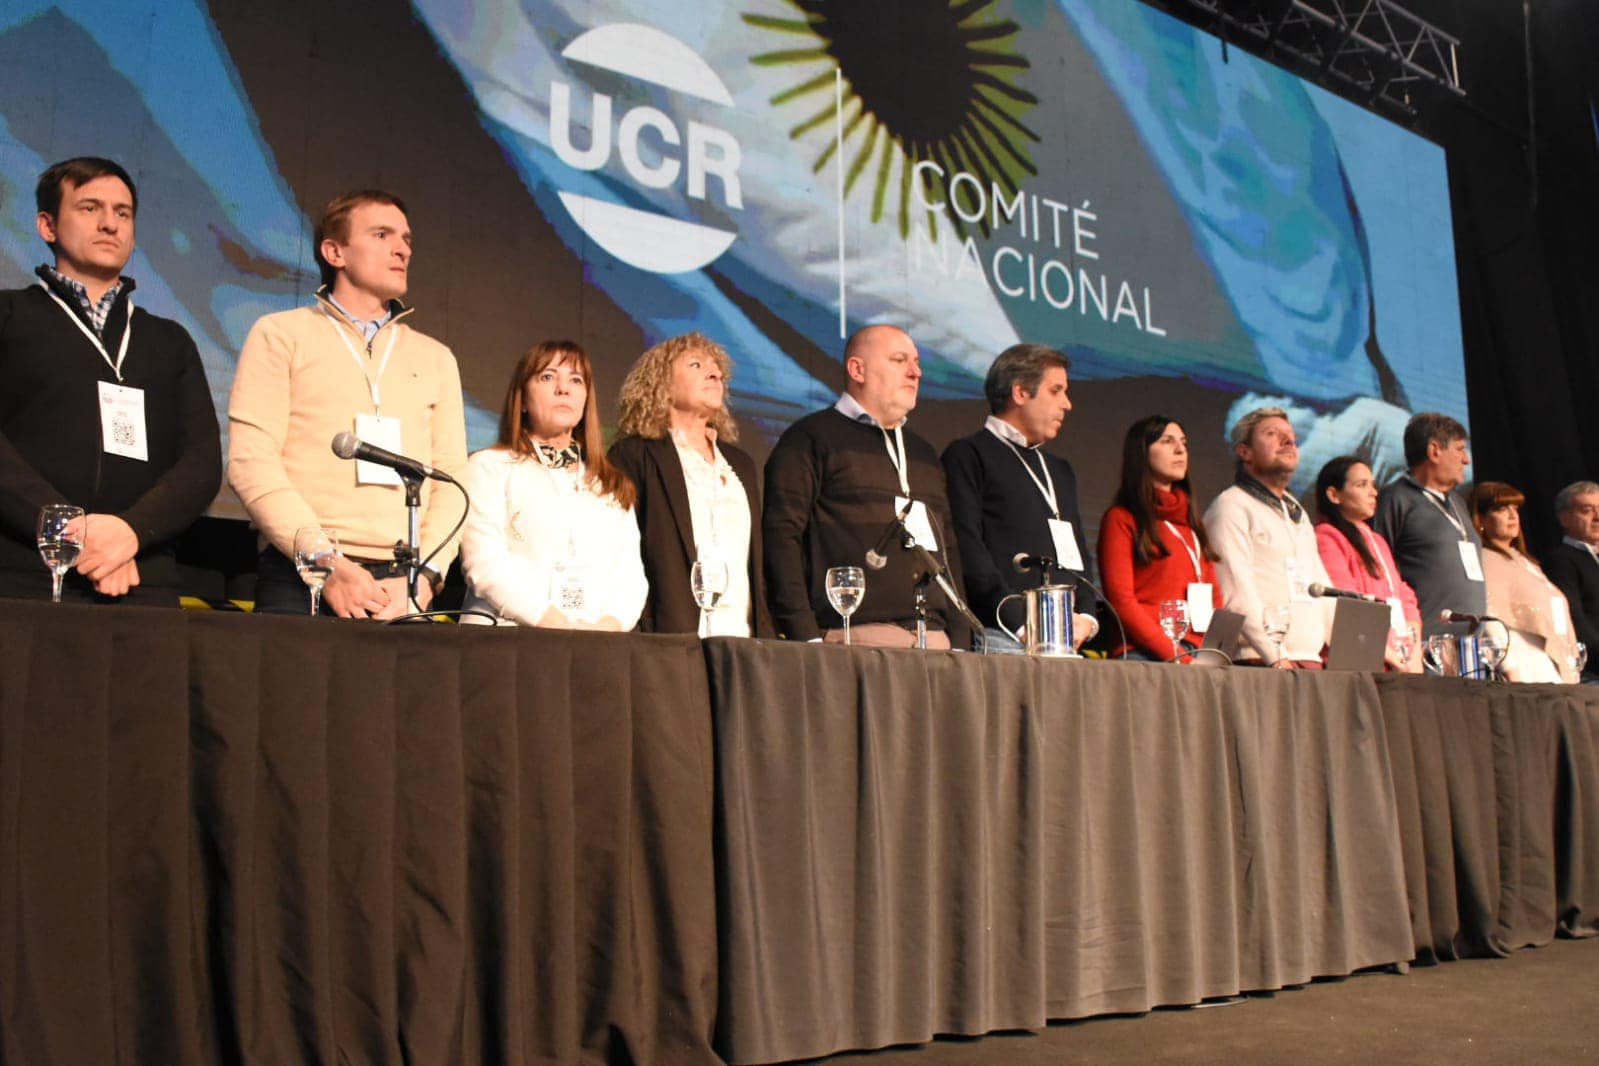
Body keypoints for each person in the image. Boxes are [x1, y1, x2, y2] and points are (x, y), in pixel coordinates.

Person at [228, 189, 468, 617]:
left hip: (403, 586)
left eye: (407, 239)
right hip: (302, 577)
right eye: (381, 234)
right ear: (334, 251)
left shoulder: (436, 357)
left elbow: (451, 479)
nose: (402, 249)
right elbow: (251, 463)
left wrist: (426, 577)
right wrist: (326, 563)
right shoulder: (281, 334)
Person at [0, 156, 220, 604]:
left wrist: (129, 532)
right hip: (24, 574)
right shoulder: (8, 316)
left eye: (122, 213)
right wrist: (68, 528)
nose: (109, 224)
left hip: (142, 576)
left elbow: (201, 463)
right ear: (47, 226)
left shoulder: (170, 340)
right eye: (89, 208)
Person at [763, 324, 970, 649]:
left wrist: (960, 638)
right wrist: (807, 636)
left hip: (936, 640)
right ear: (857, 369)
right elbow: (781, 538)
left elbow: (950, 550)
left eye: (916, 362)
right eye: (900, 360)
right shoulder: (809, 439)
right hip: (855, 638)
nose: (915, 372)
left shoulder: (924, 453)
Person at [458, 341, 645, 629]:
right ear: (523, 398)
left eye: (576, 379)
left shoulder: (610, 483)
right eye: (547, 377)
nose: (563, 388)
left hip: (594, 648)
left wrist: (607, 628)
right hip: (507, 641)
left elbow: (630, 576)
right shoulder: (489, 467)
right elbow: (485, 562)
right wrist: (553, 623)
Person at [608, 332, 773, 637]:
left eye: (717, 369)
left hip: (741, 638)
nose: (715, 373)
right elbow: (618, 552)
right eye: (696, 365)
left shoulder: (740, 464)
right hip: (672, 639)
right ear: (661, 384)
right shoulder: (635, 455)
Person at [940, 343, 1096, 653]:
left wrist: (1087, 618)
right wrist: (1021, 623)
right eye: (1057, 391)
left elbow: (1080, 556)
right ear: (1021, 393)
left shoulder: (1060, 470)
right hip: (1006, 637)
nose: (1067, 404)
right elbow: (969, 549)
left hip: (1067, 639)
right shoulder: (968, 455)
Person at [1203, 406, 1333, 667]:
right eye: (1272, 434)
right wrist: (1276, 655)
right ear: (1244, 452)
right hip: (1261, 662)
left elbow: (1322, 589)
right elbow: (1236, 594)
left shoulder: (1297, 512)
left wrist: (1345, 655)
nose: (1288, 441)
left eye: (1291, 436)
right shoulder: (1231, 506)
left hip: (1309, 661)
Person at [1096, 415, 1222, 661]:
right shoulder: (1122, 518)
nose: (1180, 450)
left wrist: (1213, 656)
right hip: (1143, 653)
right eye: (1167, 441)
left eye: (1184, 443)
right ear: (1142, 453)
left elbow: (1214, 597)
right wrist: (1175, 654)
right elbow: (1121, 600)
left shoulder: (1191, 526)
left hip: (1195, 654)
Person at [1372, 412, 1485, 637]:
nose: (1466, 460)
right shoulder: (1395, 499)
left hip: (1471, 645)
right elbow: (1379, 569)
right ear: (1434, 450)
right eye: (1460, 449)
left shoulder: (1458, 503)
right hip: (1425, 642)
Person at [1313, 456, 1421, 672]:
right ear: (1334, 495)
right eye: (1362, 485)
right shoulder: (1327, 536)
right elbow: (1348, 602)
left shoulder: (1378, 540)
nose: (1373, 492)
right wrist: (1392, 658)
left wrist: (1415, 651)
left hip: (1401, 659)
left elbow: (1403, 595)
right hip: (1364, 662)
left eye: (1372, 484)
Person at [1470, 482, 1580, 683]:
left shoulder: (1526, 562)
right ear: (1482, 519)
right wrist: (1509, 667)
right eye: (1502, 509)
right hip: (1525, 668)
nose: (1513, 516)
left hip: (1549, 667)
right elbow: (1491, 617)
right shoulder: (1488, 559)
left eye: (1515, 509)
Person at [1545, 481, 1599, 680]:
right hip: (1591, 672)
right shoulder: (1561, 561)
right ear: (1565, 518)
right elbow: (1574, 620)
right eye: (1587, 510)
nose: (1597, 517)